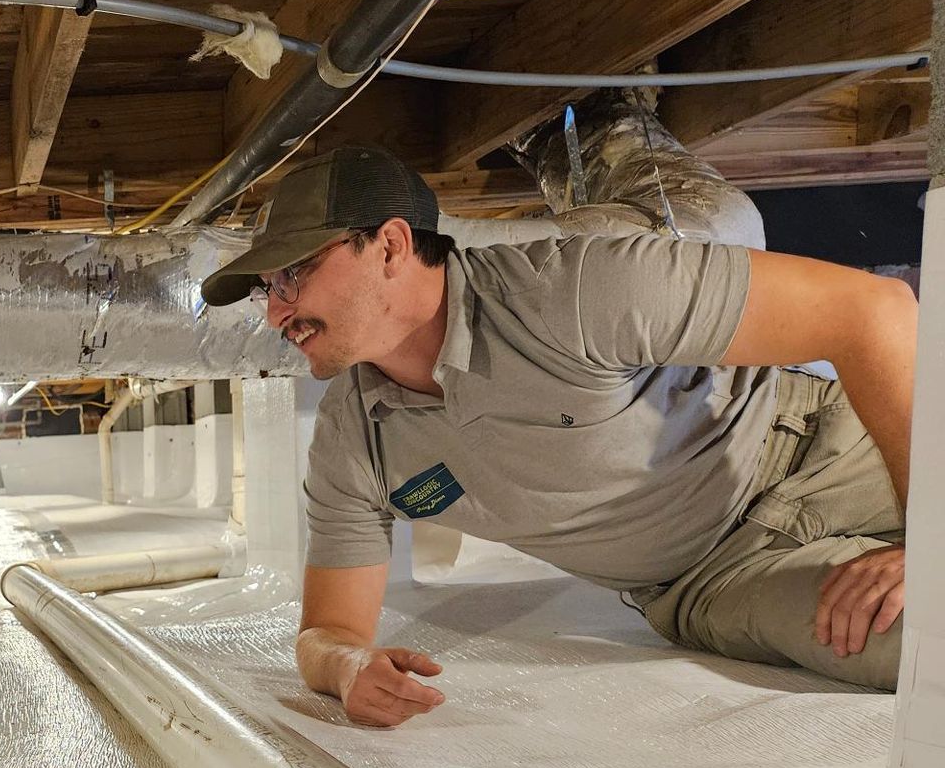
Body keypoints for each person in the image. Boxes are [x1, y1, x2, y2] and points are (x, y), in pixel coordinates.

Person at [200, 145, 915, 727]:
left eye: (293, 275)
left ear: (389, 245)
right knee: (922, 649)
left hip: (823, 450)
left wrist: (931, 545)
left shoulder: (573, 289)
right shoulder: (354, 442)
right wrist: (348, 668)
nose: (276, 314)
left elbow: (874, 312)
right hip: (714, 581)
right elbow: (328, 631)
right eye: (269, 290)